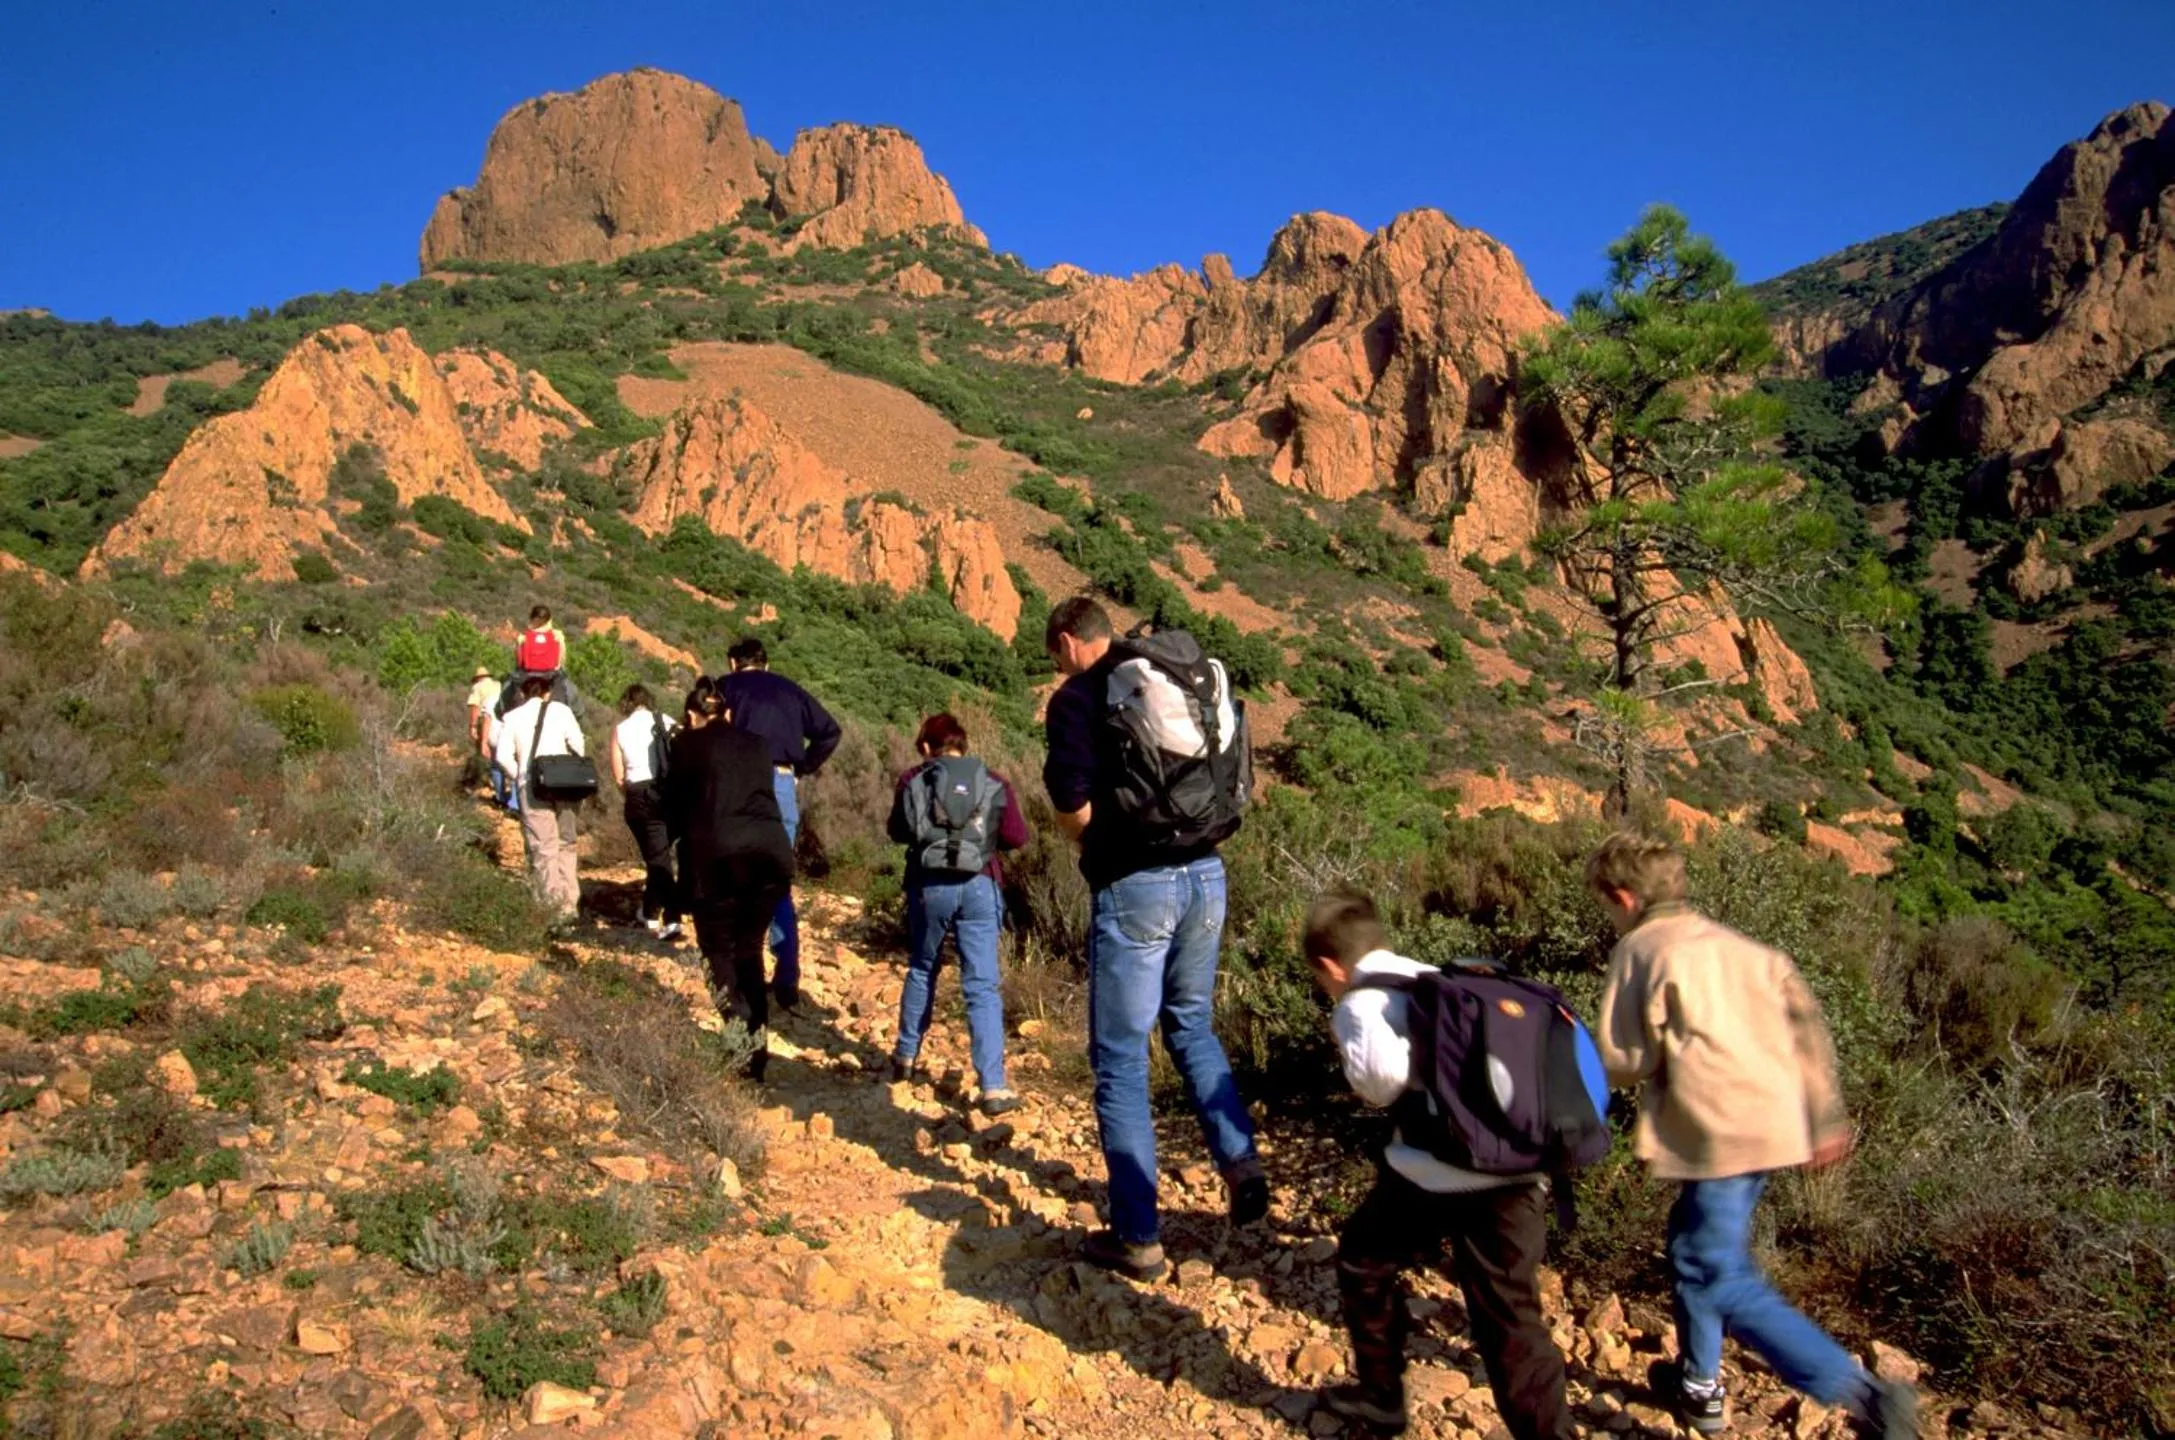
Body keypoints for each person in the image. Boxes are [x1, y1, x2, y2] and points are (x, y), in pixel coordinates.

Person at [1589, 832, 1917, 1440]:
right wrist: (1824, 1120)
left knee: (1719, 1273)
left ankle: (1866, 1397)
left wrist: (1567, 1061)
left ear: (1625, 897)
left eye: (1608, 906)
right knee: (1693, 1249)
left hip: (1714, 1129)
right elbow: (1807, 1030)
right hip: (1772, 1123)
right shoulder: (1744, 948)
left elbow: (1624, 1057)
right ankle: (1698, 1384)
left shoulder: (1641, 949)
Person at [1041, 596, 1265, 1280]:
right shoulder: (1168, 670)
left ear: (1065, 641)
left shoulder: (1079, 696)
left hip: (1137, 884)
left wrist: (1094, 847)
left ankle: (1137, 1235)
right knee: (1192, 1025)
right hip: (1206, 873)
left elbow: (1069, 801)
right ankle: (1239, 1163)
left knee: (1120, 1060)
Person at [1302, 890, 1575, 1440]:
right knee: (1514, 1325)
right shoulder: (1437, 976)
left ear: (1331, 966)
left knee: (1363, 1258)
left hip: (1435, 1173)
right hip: (1517, 1177)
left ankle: (1381, 1396)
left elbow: (1379, 1085)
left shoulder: (1361, 1002)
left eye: (1321, 979)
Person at [886, 712, 1030, 1115]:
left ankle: (905, 1057)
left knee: (922, 967)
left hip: (928, 886)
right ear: (963, 745)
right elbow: (1017, 837)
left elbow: (897, 831)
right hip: (982, 885)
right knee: (982, 985)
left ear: (928, 747)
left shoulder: (913, 778)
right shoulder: (995, 780)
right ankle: (994, 1086)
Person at [667, 675, 794, 1083]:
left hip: (720, 858)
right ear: (729, 713)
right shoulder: (757, 745)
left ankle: (740, 1038)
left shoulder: (685, 745)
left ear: (691, 715)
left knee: (717, 950)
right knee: (749, 948)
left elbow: (675, 806)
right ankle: (755, 1048)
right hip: (771, 854)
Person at [716, 636, 841, 1011]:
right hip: (781, 783)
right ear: (766, 664)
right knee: (776, 882)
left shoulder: (724, 688)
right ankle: (786, 979)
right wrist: (801, 766)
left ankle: (738, 974)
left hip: (737, 783)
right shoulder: (790, 690)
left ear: (733, 662)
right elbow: (830, 731)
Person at [494, 674, 586, 922]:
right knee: (566, 842)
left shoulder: (512, 717)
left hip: (532, 787)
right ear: (548, 692)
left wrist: (521, 776)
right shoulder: (562, 711)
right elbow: (578, 745)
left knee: (543, 846)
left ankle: (551, 905)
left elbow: (502, 756)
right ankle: (569, 904)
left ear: (522, 694)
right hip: (565, 784)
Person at [611, 683, 680, 941]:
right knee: (658, 856)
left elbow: (618, 775)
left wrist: (631, 793)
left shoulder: (620, 729)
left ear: (627, 702)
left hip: (638, 795)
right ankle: (651, 912)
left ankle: (672, 917)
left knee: (657, 858)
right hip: (667, 793)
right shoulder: (665, 720)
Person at [465, 665, 512, 809]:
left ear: (477, 678)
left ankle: (488, 785)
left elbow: (475, 708)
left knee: (488, 756)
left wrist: (473, 726)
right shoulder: (499, 685)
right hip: (507, 726)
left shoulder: (478, 687)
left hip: (488, 724)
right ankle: (512, 798)